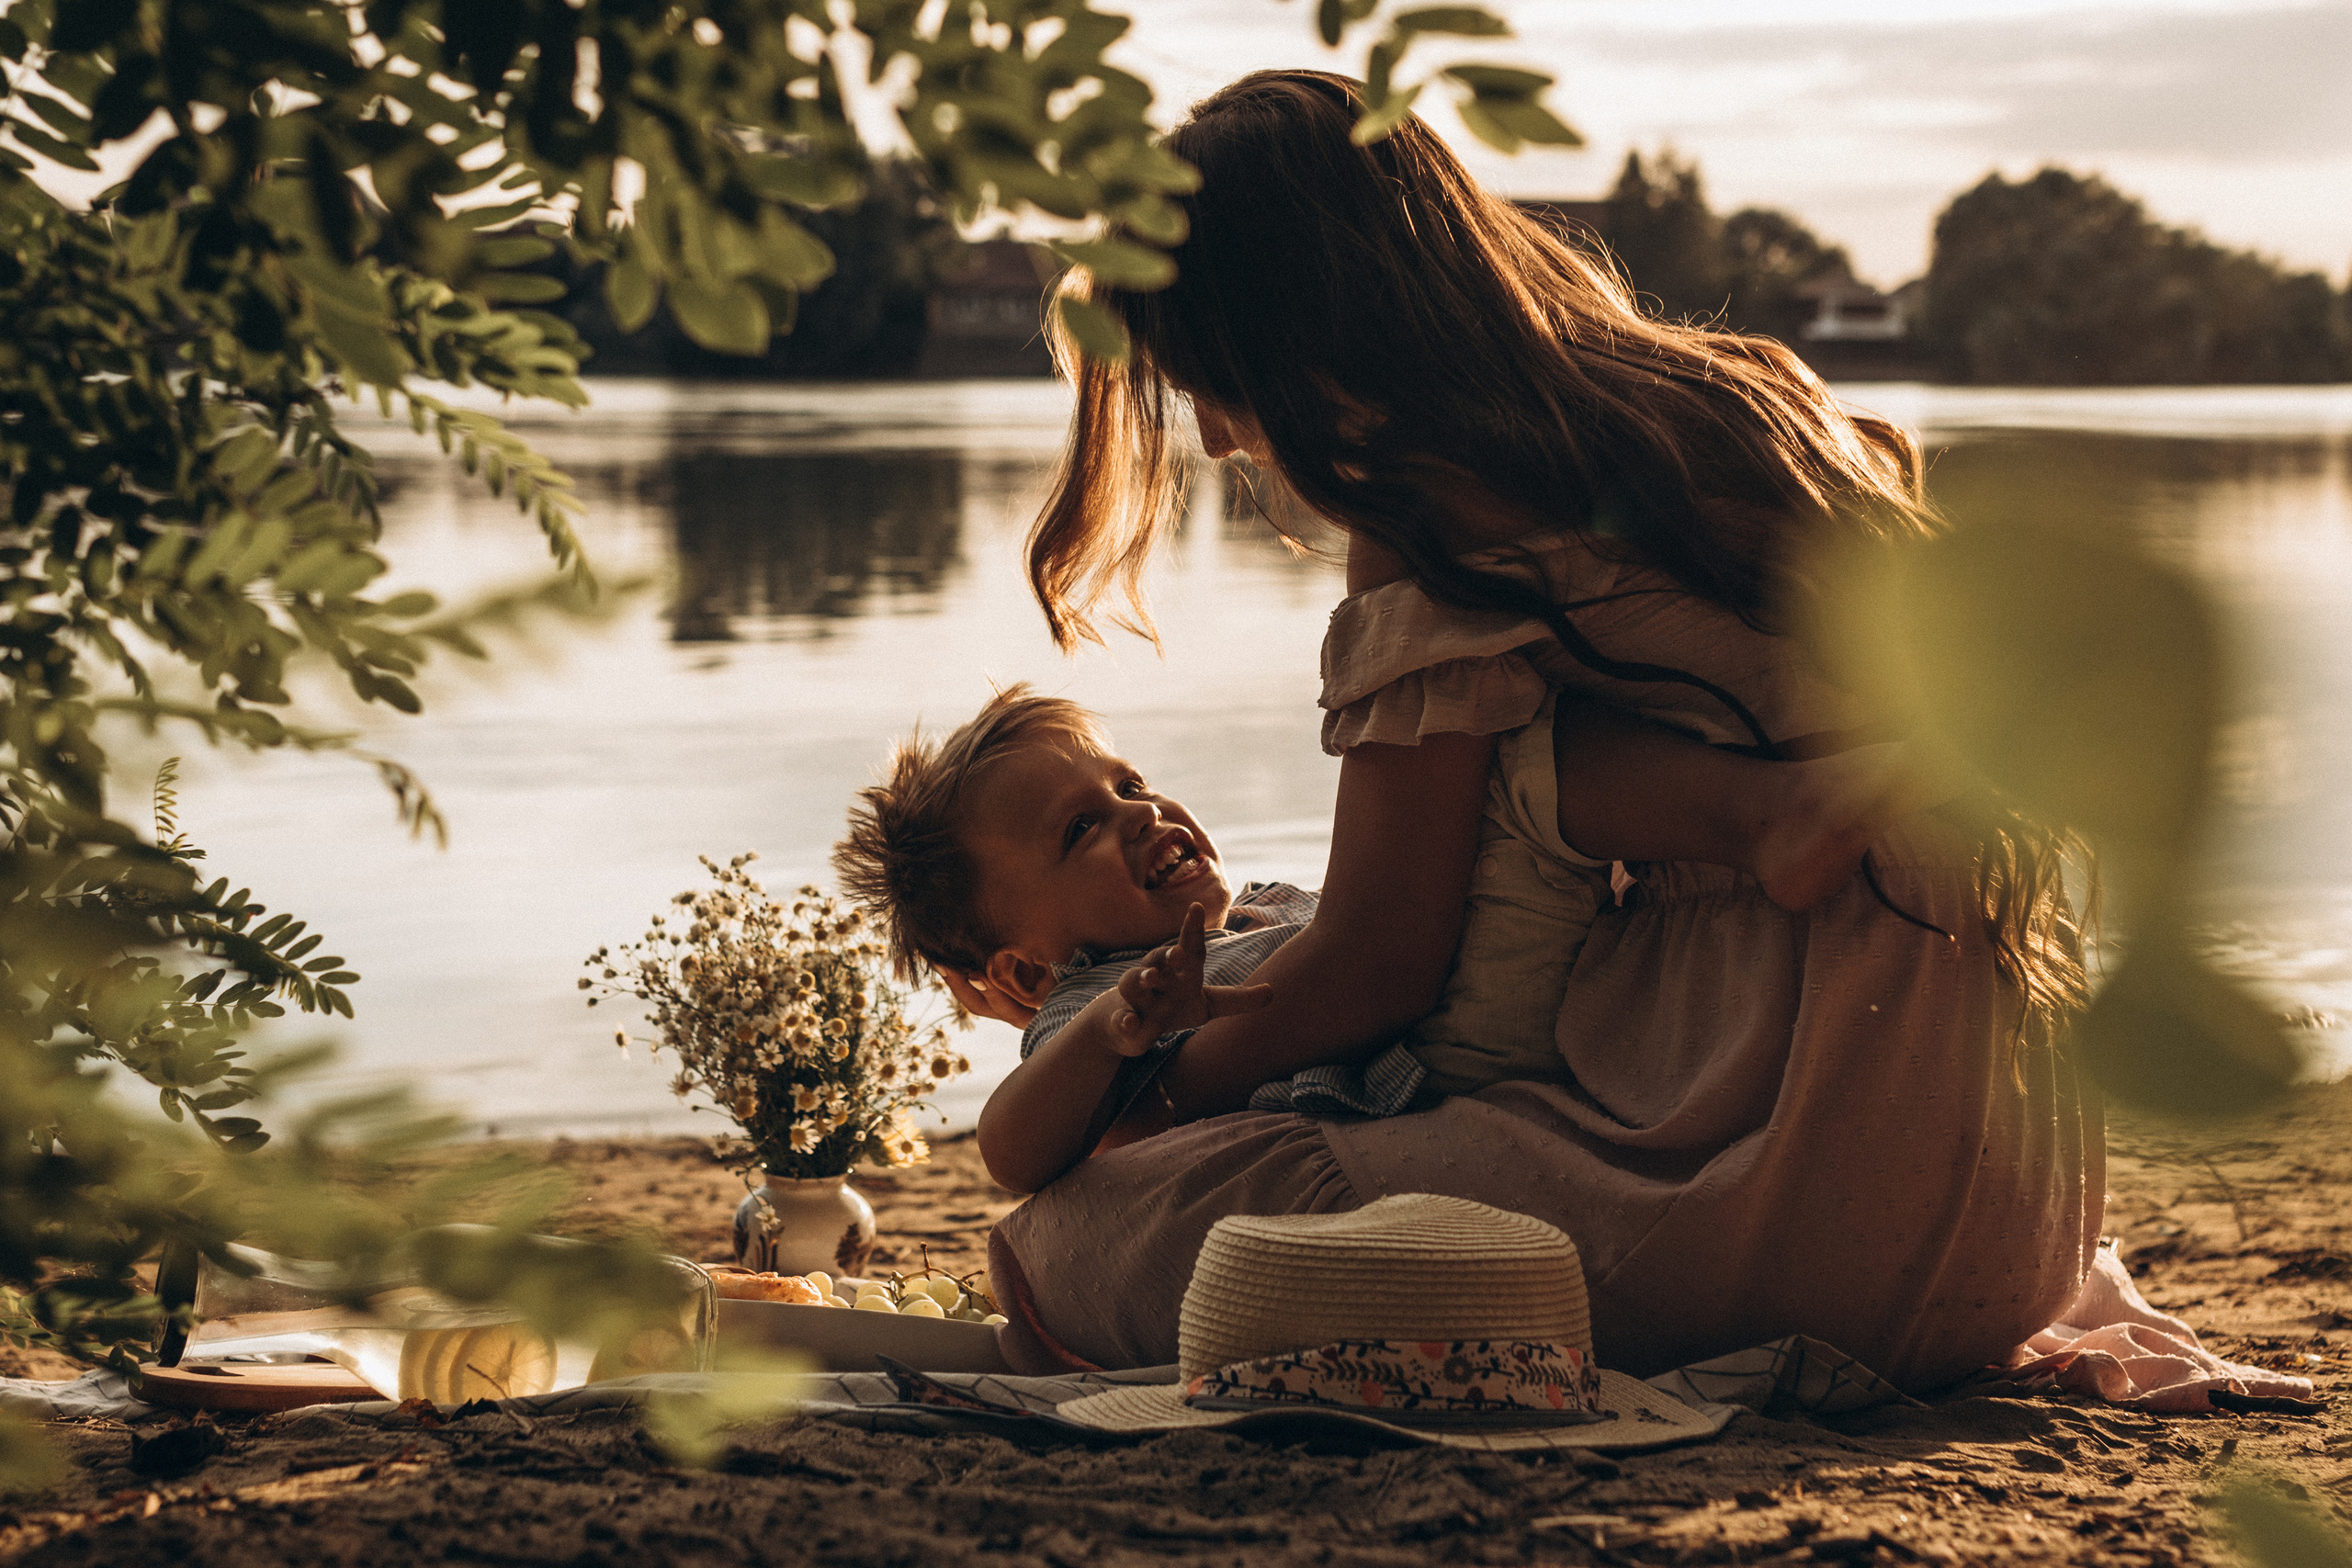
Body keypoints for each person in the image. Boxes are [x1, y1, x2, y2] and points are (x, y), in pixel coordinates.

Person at [960, 69, 2102, 1393]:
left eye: (1213, 380)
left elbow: (1379, 960)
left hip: (1798, 1170)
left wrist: (1156, 1083)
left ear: (1290, 336)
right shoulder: (1725, 396)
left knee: (1075, 1237)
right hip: (2018, 1183)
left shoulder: (1428, 506)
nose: (1215, 438)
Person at [831, 684, 1908, 1196]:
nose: (1139, 816)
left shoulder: (1260, 900)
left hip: (1476, 1030)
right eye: (1081, 831)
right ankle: (1768, 815)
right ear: (1025, 968)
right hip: (1431, 1060)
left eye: (1130, 784)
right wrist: (1120, 1026)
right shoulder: (1104, 999)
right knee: (1500, 776)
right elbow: (1013, 1150)